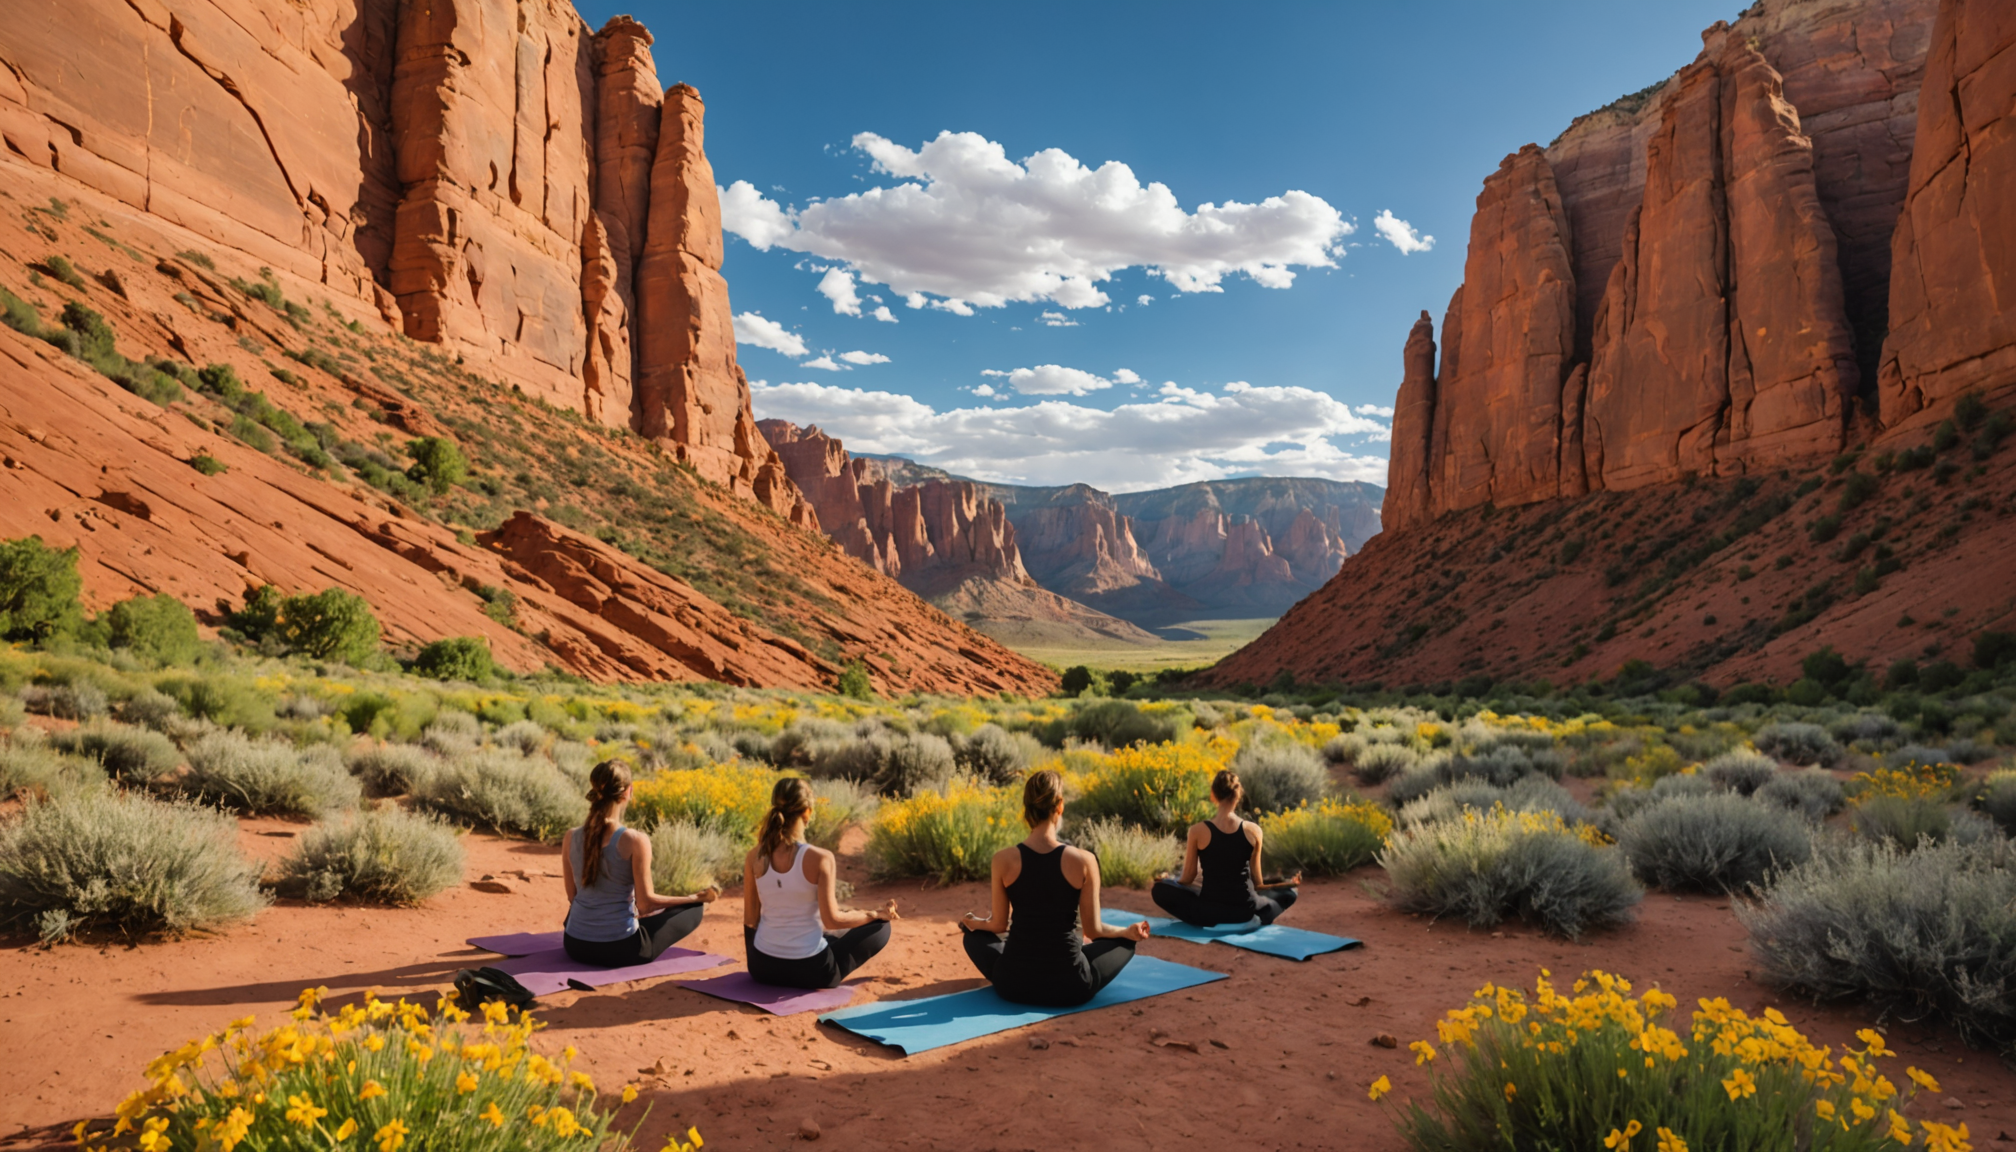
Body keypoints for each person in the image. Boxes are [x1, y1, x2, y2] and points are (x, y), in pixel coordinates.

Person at [959, 769, 1151, 1006]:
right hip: (1070, 986)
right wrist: (1126, 932)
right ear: (1059, 805)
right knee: (1125, 944)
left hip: (1013, 984)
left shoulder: (1002, 859)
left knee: (973, 938)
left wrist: (973, 922)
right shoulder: (1084, 860)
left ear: (1026, 809)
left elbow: (998, 924)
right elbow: (1093, 930)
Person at [743, 778, 899, 989]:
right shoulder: (820, 858)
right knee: (881, 928)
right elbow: (832, 920)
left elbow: (751, 920)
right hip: (812, 972)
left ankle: (778, 956)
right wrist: (874, 914)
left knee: (826, 936)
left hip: (762, 969)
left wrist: (765, 958)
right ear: (806, 812)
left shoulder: (754, 856)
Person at [561, 760, 720, 966]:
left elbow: (572, 897)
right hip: (620, 949)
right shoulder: (634, 840)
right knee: (694, 908)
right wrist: (693, 897)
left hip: (575, 945)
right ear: (628, 791)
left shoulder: (570, 836)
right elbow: (646, 903)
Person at [1151, 769, 1302, 927]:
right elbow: (1257, 883)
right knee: (1289, 893)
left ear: (1213, 795)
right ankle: (1270, 905)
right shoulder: (1254, 831)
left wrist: (1170, 881)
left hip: (1209, 914)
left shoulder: (1196, 831)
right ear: (1238, 795)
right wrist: (1283, 884)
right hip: (1245, 912)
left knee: (1159, 890)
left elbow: (1187, 878)